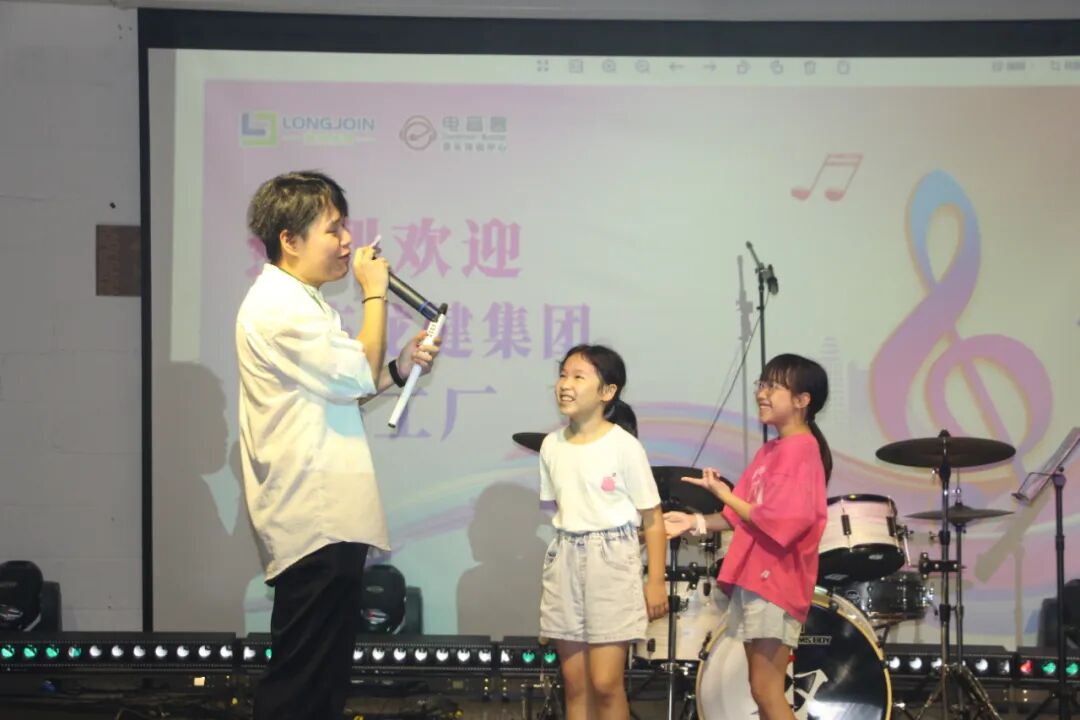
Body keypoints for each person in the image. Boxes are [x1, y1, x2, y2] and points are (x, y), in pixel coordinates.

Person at [235, 170, 440, 720]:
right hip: (312, 515)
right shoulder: (279, 306)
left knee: (323, 681)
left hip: (327, 515)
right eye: (334, 229)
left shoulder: (303, 301)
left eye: (344, 227)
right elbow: (354, 375)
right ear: (289, 239)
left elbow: (346, 385)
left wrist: (398, 368)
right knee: (301, 682)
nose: (348, 241)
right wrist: (375, 293)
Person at [665, 353, 831, 720]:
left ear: (802, 400)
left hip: (776, 580)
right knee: (761, 688)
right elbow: (740, 515)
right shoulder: (772, 450)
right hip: (756, 577)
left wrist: (724, 494)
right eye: (762, 384)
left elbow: (781, 520)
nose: (762, 393)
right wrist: (693, 521)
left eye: (774, 386)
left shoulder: (802, 450)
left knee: (767, 689)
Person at [537, 344, 669, 720]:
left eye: (578, 377)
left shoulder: (624, 446)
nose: (565, 384)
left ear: (607, 392)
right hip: (565, 558)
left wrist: (655, 581)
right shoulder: (551, 445)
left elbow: (653, 518)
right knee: (575, 684)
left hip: (611, 562)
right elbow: (566, 508)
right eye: (563, 375)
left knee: (605, 683)